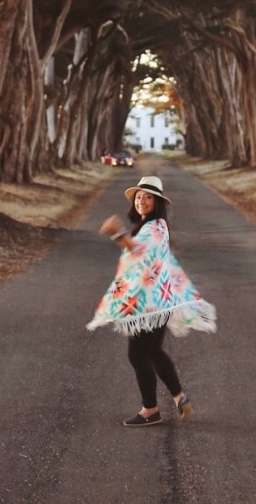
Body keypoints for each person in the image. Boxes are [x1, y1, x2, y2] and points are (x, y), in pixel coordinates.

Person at [87, 174, 217, 427]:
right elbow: (137, 251)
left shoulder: (155, 227)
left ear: (157, 202)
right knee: (154, 352)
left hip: (150, 306)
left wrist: (117, 231)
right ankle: (180, 397)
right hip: (159, 302)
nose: (142, 201)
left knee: (137, 356)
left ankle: (150, 410)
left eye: (148, 197)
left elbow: (137, 250)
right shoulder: (151, 227)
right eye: (139, 197)